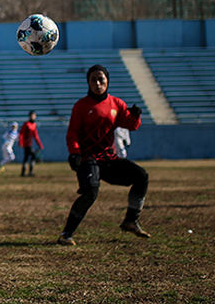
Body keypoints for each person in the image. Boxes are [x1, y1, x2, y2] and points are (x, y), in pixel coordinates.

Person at [57, 64, 149, 243]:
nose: (97, 83)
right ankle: (66, 235)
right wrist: (74, 153)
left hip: (109, 159)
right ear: (88, 83)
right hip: (87, 159)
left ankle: (131, 221)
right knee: (90, 192)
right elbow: (72, 133)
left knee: (141, 176)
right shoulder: (81, 106)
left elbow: (131, 125)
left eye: (101, 80)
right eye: (93, 80)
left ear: (107, 82)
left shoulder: (116, 104)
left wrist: (136, 115)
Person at [19, 110, 44, 176]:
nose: (33, 117)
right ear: (30, 116)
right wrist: (21, 142)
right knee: (33, 155)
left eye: (34, 116)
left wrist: (40, 144)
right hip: (26, 144)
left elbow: (36, 136)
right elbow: (21, 133)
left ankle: (24, 172)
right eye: (32, 116)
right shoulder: (26, 124)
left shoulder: (34, 125)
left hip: (30, 143)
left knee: (26, 157)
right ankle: (30, 172)